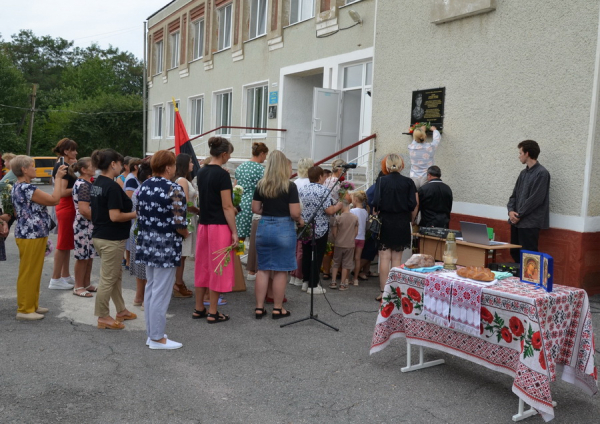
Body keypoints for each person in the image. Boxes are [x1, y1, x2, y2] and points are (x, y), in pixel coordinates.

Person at [136, 150, 188, 349]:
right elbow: (179, 222)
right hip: (165, 245)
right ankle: (157, 337)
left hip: (147, 242)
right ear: (168, 167)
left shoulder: (145, 185)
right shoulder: (173, 188)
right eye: (173, 165)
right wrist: (186, 233)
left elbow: (139, 213)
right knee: (161, 291)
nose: (175, 168)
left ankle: (153, 334)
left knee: (151, 288)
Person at [11, 155, 66, 320]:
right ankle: (24, 310)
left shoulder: (20, 186)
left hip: (32, 233)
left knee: (33, 270)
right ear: (24, 169)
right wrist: (57, 178)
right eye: (32, 166)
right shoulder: (26, 188)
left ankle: (31, 304)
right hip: (30, 234)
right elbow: (55, 199)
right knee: (29, 271)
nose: (35, 169)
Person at [251, 150, 303, 319]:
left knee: (263, 268)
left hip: (265, 225)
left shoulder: (262, 184)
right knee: (281, 270)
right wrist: (301, 220)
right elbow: (295, 212)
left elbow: (255, 208)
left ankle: (259, 308)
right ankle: (277, 308)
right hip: (284, 227)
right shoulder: (290, 185)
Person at [90, 149, 137, 330]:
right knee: (108, 279)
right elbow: (115, 216)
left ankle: (121, 310)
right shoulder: (111, 186)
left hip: (101, 236)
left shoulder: (98, 183)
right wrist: (136, 214)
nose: (121, 166)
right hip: (111, 238)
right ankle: (103, 316)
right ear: (113, 164)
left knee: (115, 275)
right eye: (119, 163)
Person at [194, 137, 237, 323]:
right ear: (224, 154)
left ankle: (198, 308)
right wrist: (234, 231)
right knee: (218, 267)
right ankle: (213, 311)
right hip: (219, 226)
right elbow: (227, 206)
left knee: (203, 265)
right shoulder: (222, 175)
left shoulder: (201, 172)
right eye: (229, 155)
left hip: (203, 225)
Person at [373, 154, 418, 301]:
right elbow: (412, 204)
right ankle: (394, 292)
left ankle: (383, 292)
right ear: (401, 165)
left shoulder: (381, 181)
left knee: (384, 258)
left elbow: (376, 202)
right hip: (401, 221)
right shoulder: (408, 182)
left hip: (385, 220)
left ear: (386, 165)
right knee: (397, 259)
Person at [298, 166, 343, 295]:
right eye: (324, 176)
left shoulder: (303, 189)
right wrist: (338, 206)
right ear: (319, 177)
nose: (325, 178)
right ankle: (313, 284)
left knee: (306, 254)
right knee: (317, 256)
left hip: (305, 227)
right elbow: (328, 210)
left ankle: (306, 281)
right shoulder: (323, 190)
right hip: (320, 228)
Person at [507, 139, 550, 262]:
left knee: (529, 257)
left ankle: (528, 281)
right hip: (516, 222)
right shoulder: (523, 173)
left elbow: (536, 199)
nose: (519, 156)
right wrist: (511, 212)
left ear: (527, 153)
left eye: (520, 153)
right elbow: (513, 196)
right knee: (515, 252)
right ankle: (518, 280)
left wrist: (519, 214)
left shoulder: (542, 173)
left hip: (530, 223)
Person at [235, 142, 268, 279]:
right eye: (265, 155)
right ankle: (252, 270)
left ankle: (237, 266)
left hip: (241, 203)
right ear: (261, 154)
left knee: (240, 237)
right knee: (254, 238)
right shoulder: (260, 169)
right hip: (255, 204)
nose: (265, 158)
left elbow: (235, 186)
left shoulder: (241, 167)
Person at [49, 138, 78, 290]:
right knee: (62, 244)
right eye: (73, 149)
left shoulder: (64, 165)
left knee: (66, 243)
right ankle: (55, 278)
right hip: (66, 207)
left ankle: (65, 275)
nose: (76, 152)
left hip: (66, 207)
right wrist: (81, 187)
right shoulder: (63, 167)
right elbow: (61, 191)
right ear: (66, 151)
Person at [71, 157, 98, 298]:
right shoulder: (83, 185)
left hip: (88, 225)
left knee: (89, 256)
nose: (95, 167)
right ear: (83, 169)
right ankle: (78, 286)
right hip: (84, 225)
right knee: (82, 257)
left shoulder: (86, 183)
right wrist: (100, 218)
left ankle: (86, 283)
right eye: (92, 165)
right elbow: (84, 210)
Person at [173, 153, 197, 298]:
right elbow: (185, 204)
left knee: (183, 255)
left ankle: (179, 282)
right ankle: (178, 283)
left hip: (189, 218)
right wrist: (198, 209)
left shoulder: (185, 180)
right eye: (190, 162)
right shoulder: (182, 180)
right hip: (187, 220)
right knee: (182, 254)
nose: (193, 164)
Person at [129, 160, 152, 309]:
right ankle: (145, 300)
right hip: (146, 231)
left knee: (139, 266)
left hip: (136, 229)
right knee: (148, 268)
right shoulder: (150, 190)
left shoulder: (138, 189)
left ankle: (139, 297)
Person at [289, 157, 314, 287]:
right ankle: (299, 275)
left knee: (295, 248)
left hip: (295, 217)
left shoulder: (296, 182)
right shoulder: (310, 183)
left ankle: (293, 274)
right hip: (305, 218)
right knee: (302, 250)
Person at [329, 198, 358, 291]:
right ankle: (342, 284)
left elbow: (334, 233)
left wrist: (337, 238)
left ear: (341, 206)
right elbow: (356, 233)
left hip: (339, 243)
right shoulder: (355, 218)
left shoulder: (338, 218)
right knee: (346, 264)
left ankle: (333, 282)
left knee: (336, 262)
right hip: (349, 244)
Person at [350, 190, 369, 285]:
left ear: (356, 200)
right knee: (358, 258)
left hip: (353, 237)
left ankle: (345, 278)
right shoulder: (365, 212)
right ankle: (355, 279)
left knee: (349, 258)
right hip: (362, 238)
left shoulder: (352, 211)